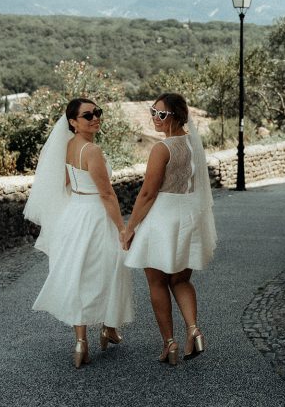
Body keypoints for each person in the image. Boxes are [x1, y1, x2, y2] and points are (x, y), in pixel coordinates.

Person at [24, 98, 133, 368]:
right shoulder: (92, 150)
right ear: (73, 122)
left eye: (98, 112)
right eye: (88, 115)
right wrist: (122, 227)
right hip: (95, 216)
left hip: (74, 214)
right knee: (110, 269)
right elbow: (107, 194)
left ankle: (82, 340)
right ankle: (108, 327)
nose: (95, 118)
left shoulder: (68, 146)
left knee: (79, 274)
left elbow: (62, 182)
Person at [122, 93, 217, 366]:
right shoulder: (194, 146)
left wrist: (130, 228)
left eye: (161, 114)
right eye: (153, 111)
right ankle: (193, 330)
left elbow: (148, 193)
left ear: (176, 116)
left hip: (162, 218)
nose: (155, 118)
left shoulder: (161, 149)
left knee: (157, 281)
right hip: (188, 216)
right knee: (181, 280)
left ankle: (170, 343)